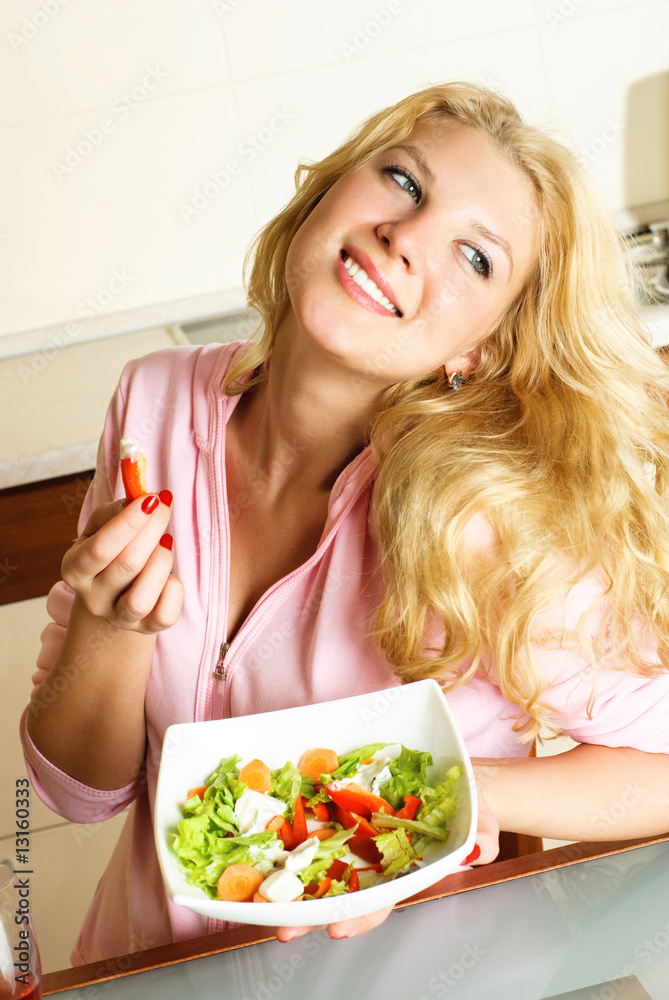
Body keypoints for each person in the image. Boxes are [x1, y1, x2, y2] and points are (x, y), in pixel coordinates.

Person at [21, 81, 669, 965]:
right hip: (147, 969)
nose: (404, 238)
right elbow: (82, 792)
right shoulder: (154, 403)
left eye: (474, 257)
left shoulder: (480, 519)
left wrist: (463, 796)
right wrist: (108, 626)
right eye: (403, 181)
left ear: (476, 348)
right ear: (330, 190)